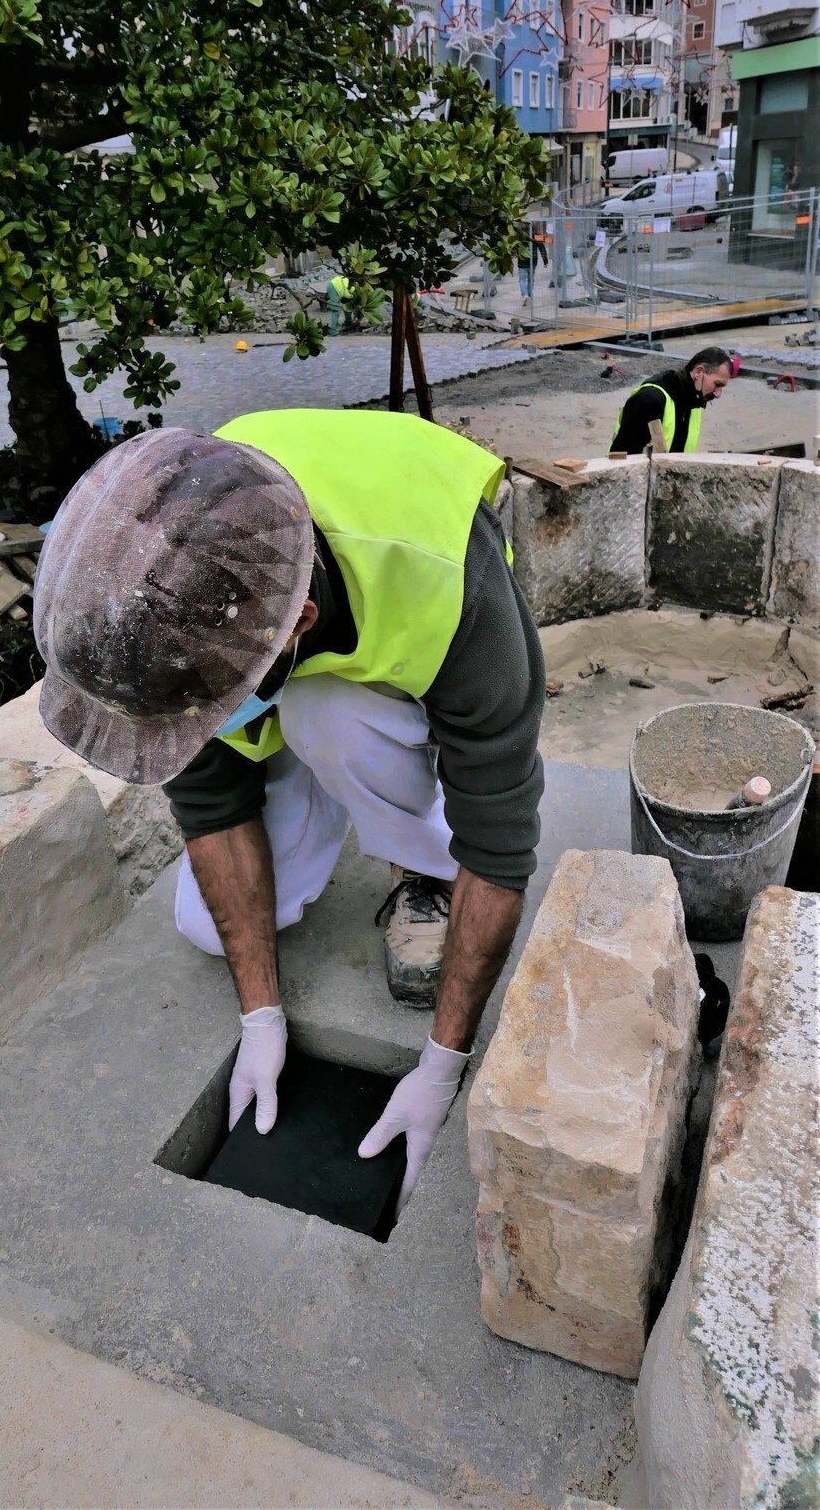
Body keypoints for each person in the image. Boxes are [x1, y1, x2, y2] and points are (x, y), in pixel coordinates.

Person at [33, 410, 545, 1216]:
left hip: (387, 653)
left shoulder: (452, 589)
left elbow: (502, 844)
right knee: (210, 927)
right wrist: (262, 1014)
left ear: (299, 623)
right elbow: (208, 804)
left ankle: (418, 867)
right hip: (271, 659)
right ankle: (319, 776)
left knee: (329, 719)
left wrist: (443, 1062)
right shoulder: (187, 588)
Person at [609, 346, 734, 455]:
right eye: (717, 384)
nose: (718, 394)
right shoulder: (649, 400)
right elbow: (621, 462)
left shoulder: (693, 402)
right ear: (699, 372)